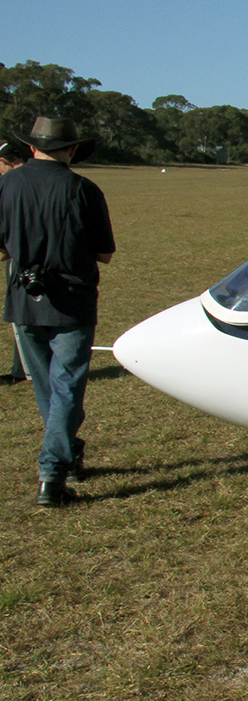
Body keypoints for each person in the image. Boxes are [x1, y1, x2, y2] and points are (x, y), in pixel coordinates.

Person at [0, 116, 116, 506]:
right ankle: (52, 474)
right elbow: (105, 253)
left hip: (24, 301)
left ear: (32, 147)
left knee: (48, 387)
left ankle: (70, 448)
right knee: (66, 387)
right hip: (72, 302)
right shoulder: (83, 189)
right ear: (70, 150)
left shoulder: (6, 184)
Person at [0, 141, 28, 385]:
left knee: (22, 319)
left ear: (6, 161)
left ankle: (26, 371)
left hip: (20, 259)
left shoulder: (9, 183)